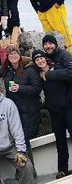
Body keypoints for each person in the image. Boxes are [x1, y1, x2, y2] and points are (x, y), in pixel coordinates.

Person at [0, 45, 42, 176]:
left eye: (15, 54)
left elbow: (37, 89)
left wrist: (20, 88)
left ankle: (30, 172)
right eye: (10, 55)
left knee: (24, 140)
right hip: (13, 110)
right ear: (8, 58)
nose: (13, 56)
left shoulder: (30, 70)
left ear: (20, 55)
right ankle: (21, 172)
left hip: (29, 112)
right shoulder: (7, 70)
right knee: (16, 138)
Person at [33, 34, 72, 179]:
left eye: (50, 43)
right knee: (60, 141)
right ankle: (63, 170)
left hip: (68, 106)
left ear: (55, 44)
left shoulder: (62, 57)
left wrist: (50, 75)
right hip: (54, 110)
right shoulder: (40, 67)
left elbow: (70, 73)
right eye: (45, 44)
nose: (48, 46)